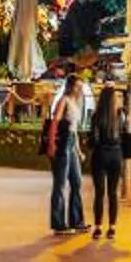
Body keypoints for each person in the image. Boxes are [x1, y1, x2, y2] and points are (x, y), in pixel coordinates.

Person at [84, 82, 129, 242]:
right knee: (113, 193)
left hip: (100, 154)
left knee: (99, 193)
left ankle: (97, 227)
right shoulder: (120, 115)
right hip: (116, 154)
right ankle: (112, 228)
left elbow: (93, 139)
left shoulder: (96, 116)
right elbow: (125, 135)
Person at [45, 71, 85, 235]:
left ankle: (76, 220)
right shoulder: (64, 100)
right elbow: (55, 122)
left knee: (76, 181)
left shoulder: (76, 103)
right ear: (71, 87)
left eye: (81, 87)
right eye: (78, 86)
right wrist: (52, 144)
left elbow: (74, 130)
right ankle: (58, 223)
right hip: (62, 144)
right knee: (60, 184)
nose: (80, 89)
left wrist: (78, 150)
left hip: (71, 142)